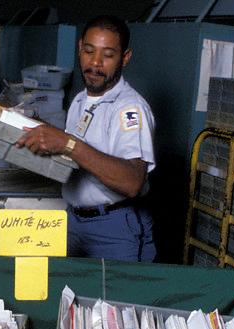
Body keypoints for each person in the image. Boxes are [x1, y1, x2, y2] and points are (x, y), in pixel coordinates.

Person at [16, 15, 156, 262]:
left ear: (125, 57)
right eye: (89, 51)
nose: (95, 63)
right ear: (80, 48)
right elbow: (73, 154)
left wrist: (68, 143)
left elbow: (132, 182)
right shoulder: (81, 100)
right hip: (74, 219)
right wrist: (34, 129)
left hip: (114, 227)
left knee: (116, 300)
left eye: (108, 55)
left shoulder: (129, 109)